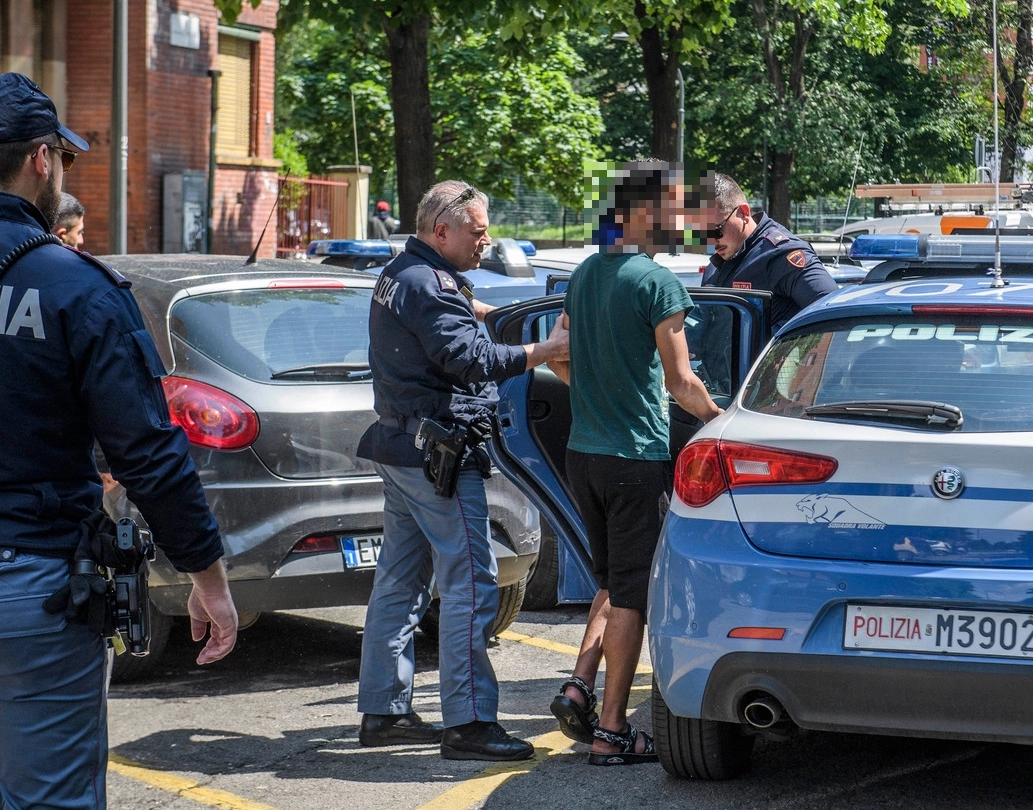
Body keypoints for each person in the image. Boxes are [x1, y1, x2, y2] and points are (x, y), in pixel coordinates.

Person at [0, 72, 238, 810]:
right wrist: (206, 575)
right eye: (63, 159)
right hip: (32, 586)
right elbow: (147, 451)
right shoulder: (76, 286)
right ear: (42, 160)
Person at [355, 179, 569, 760]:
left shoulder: (404, 274)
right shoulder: (429, 284)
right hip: (437, 460)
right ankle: (469, 724)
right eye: (477, 233)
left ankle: (384, 711)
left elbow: (446, 316)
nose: (487, 242)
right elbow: (470, 359)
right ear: (440, 231)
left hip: (403, 451)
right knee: (471, 585)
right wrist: (543, 353)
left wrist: (483, 310)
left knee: (399, 582)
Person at [547, 162, 722, 766]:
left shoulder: (584, 274)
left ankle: (579, 685)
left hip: (583, 453)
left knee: (610, 581)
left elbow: (558, 360)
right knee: (631, 596)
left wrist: (596, 395)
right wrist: (722, 424)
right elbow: (680, 382)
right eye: (673, 209)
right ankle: (614, 731)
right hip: (635, 456)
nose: (680, 221)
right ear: (643, 212)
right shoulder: (657, 283)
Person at [703, 172, 837, 331]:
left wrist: (775, 344)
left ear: (744, 213)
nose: (710, 241)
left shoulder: (781, 254)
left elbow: (831, 310)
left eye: (716, 230)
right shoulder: (716, 266)